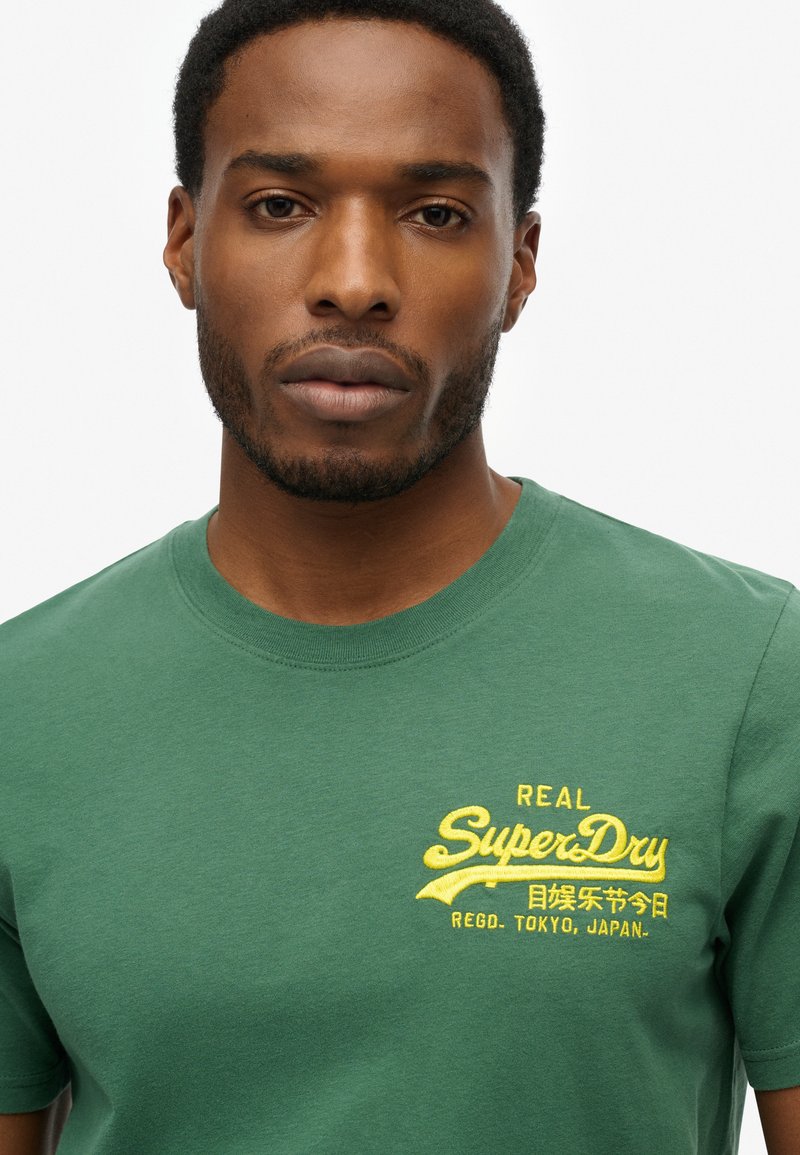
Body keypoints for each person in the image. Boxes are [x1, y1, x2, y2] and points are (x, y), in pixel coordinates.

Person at [0, 0, 798, 1150]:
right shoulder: (23, 712)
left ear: (517, 263)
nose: (353, 280)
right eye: (280, 205)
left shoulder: (746, 679)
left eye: (434, 214)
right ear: (183, 241)